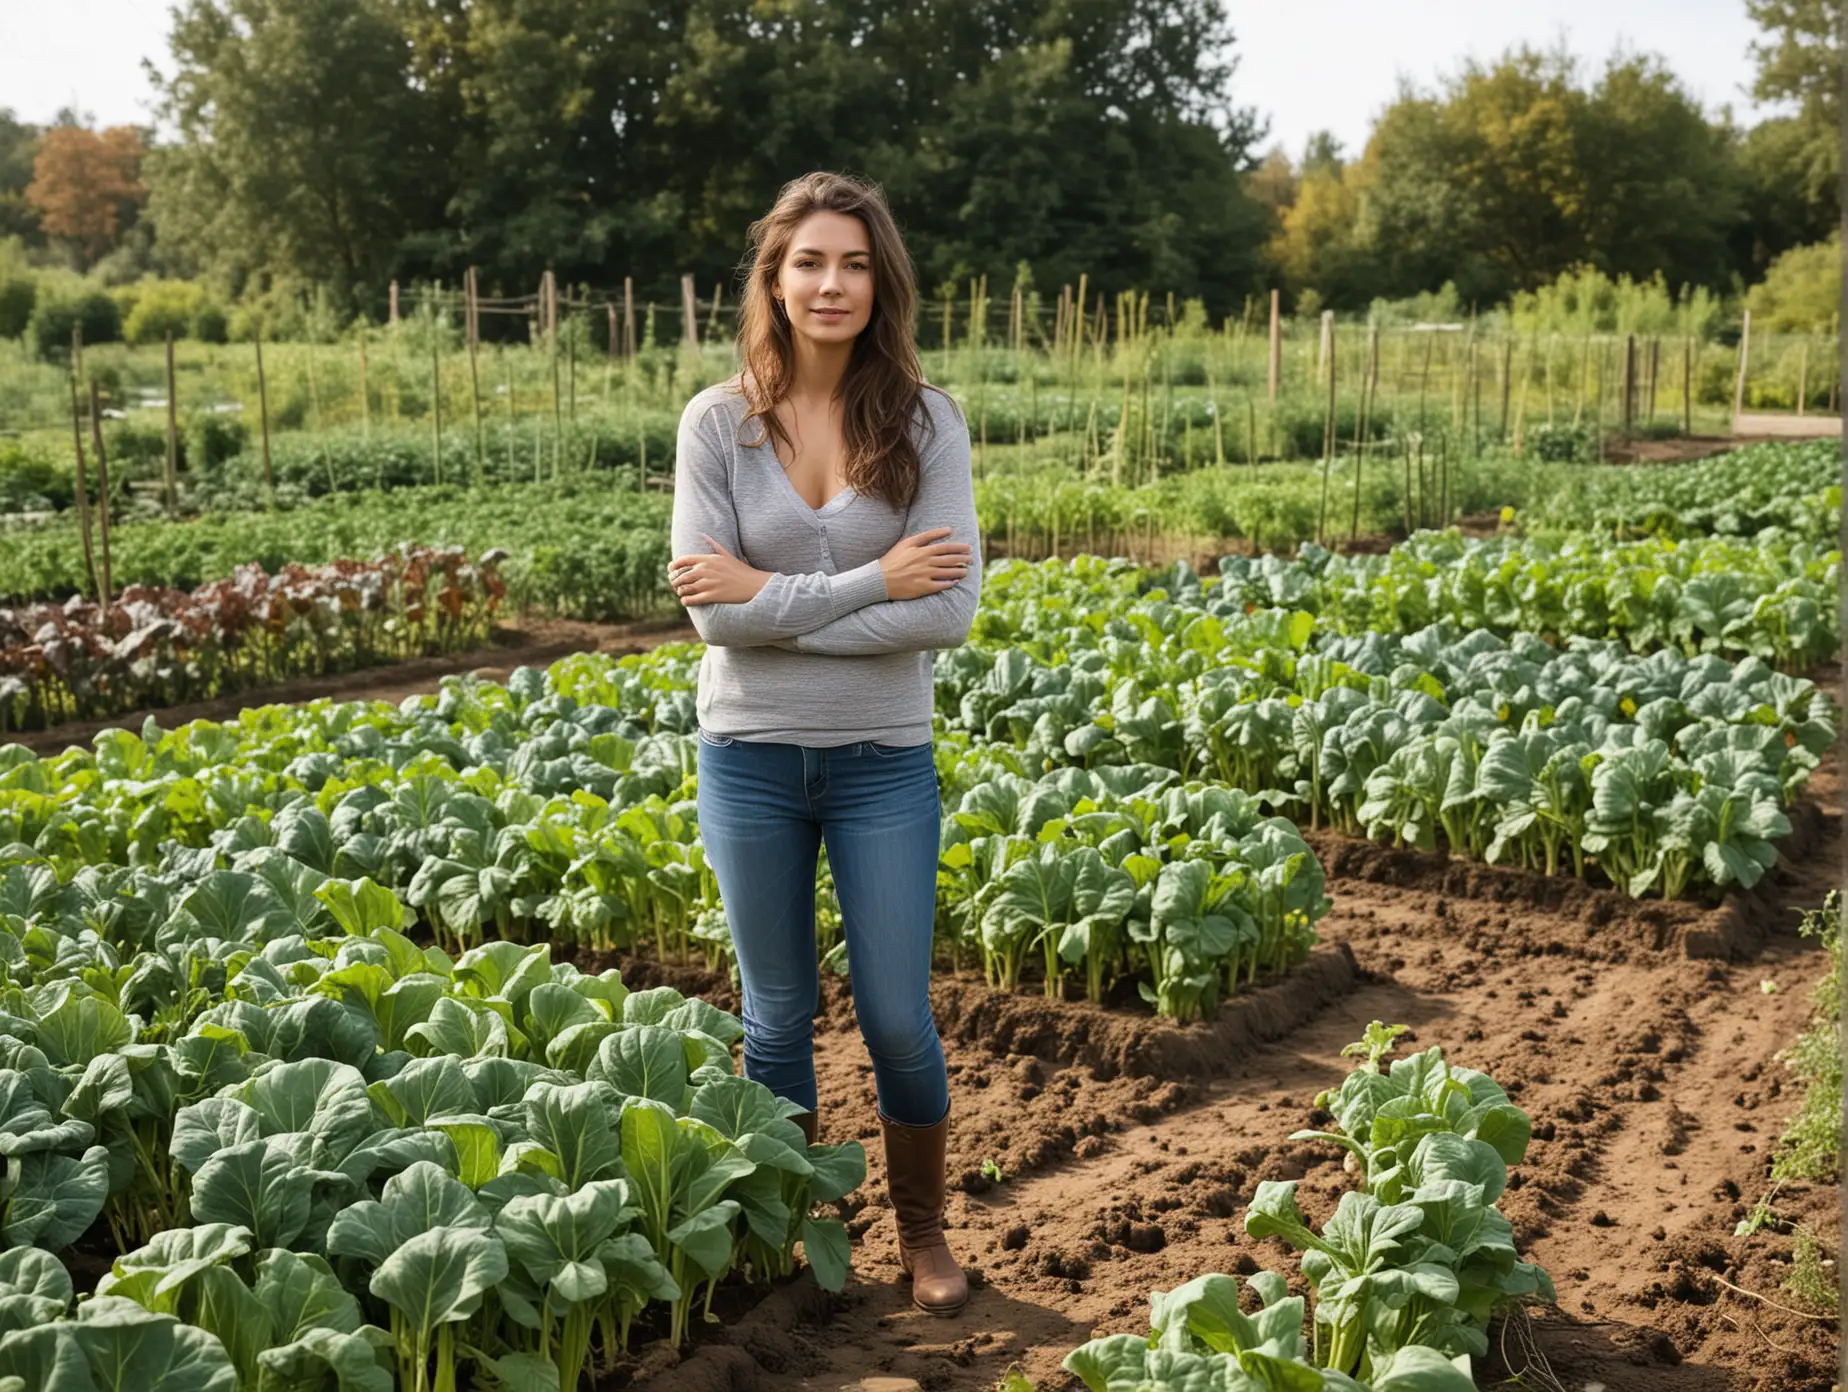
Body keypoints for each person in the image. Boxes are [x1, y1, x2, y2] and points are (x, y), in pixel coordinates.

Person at [665, 170, 982, 1317]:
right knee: (776, 1013)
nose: (831, 282)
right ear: (775, 278)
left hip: (882, 764)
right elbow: (710, 616)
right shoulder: (717, 421)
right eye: (809, 261)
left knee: (898, 1013)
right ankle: (796, 1221)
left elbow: (946, 613)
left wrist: (777, 598)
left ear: (879, 280)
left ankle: (923, 1233)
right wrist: (867, 581)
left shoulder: (925, 420)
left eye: (853, 262)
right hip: (747, 758)